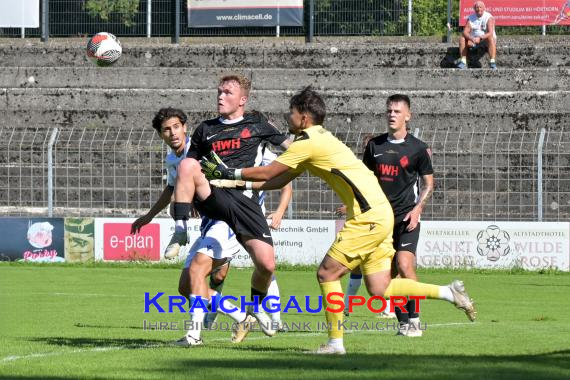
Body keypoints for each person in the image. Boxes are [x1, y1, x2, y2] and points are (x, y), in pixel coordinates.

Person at [200, 86, 477, 355]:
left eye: (291, 112)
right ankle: (448, 292)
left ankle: (335, 344)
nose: (287, 117)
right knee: (380, 289)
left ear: (304, 118)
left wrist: (229, 171)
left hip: (367, 217)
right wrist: (231, 182)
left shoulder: (308, 141)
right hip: (379, 214)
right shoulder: (317, 139)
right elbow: (280, 179)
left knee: (326, 273)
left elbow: (269, 171)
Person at [130, 107, 291, 346]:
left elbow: (267, 172)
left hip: (228, 217)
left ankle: (193, 335)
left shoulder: (202, 146)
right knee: (186, 287)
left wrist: (277, 210)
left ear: (185, 127)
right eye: (166, 129)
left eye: (176, 127)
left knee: (199, 271)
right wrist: (149, 216)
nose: (173, 133)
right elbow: (172, 188)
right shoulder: (173, 157)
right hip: (210, 220)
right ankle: (242, 316)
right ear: (160, 135)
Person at [169, 74, 291, 346]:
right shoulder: (205, 130)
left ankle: (252, 309)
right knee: (187, 167)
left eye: (227, 93)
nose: (220, 96)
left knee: (267, 264)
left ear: (242, 100)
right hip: (216, 202)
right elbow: (189, 170)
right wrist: (189, 202)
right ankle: (193, 335)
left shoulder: (257, 123)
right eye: (219, 91)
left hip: (246, 204)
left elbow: (290, 150)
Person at [339, 94, 434, 337]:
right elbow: (365, 181)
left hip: (406, 218)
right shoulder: (375, 146)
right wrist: (354, 206)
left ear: (408, 116)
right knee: (384, 277)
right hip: (380, 220)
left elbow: (428, 185)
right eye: (389, 111)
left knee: (405, 264)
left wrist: (417, 210)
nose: (392, 115)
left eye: (397, 111)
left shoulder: (419, 148)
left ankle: (415, 319)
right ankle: (404, 323)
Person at [457, 1, 497, 70]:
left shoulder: (489, 17)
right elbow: (465, 32)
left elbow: (490, 32)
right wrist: (472, 38)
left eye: (480, 7)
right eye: (477, 7)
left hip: (486, 41)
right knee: (462, 38)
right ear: (474, 9)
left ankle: (492, 62)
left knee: (490, 37)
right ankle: (463, 61)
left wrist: (480, 38)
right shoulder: (471, 18)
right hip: (474, 41)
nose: (478, 9)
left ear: (484, 8)